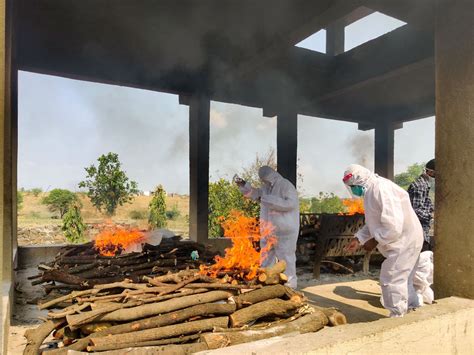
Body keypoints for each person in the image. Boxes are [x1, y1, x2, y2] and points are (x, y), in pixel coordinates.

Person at [343, 164, 424, 317]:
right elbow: (375, 222)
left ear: (360, 180)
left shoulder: (381, 189)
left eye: (353, 186)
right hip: (404, 239)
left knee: (391, 278)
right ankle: (412, 309)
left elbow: (393, 226)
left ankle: (397, 316)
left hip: (404, 240)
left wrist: (374, 241)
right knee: (403, 278)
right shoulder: (370, 191)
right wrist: (359, 238)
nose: (353, 190)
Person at [235, 166, 299, 288]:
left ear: (271, 176)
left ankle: (290, 285)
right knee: (265, 257)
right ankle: (265, 282)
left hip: (284, 231)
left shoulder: (286, 185)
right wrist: (243, 185)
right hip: (268, 230)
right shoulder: (266, 188)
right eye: (262, 180)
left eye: (265, 179)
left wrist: (267, 199)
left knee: (286, 258)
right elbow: (255, 194)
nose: (264, 182)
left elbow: (290, 204)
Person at [408, 159, 435, 304]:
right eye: (435, 175)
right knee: (419, 266)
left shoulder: (425, 185)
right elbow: (416, 210)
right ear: (429, 172)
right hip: (417, 232)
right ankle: (414, 298)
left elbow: (427, 205)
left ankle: (417, 294)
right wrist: (432, 215)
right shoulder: (419, 186)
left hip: (422, 230)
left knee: (421, 265)